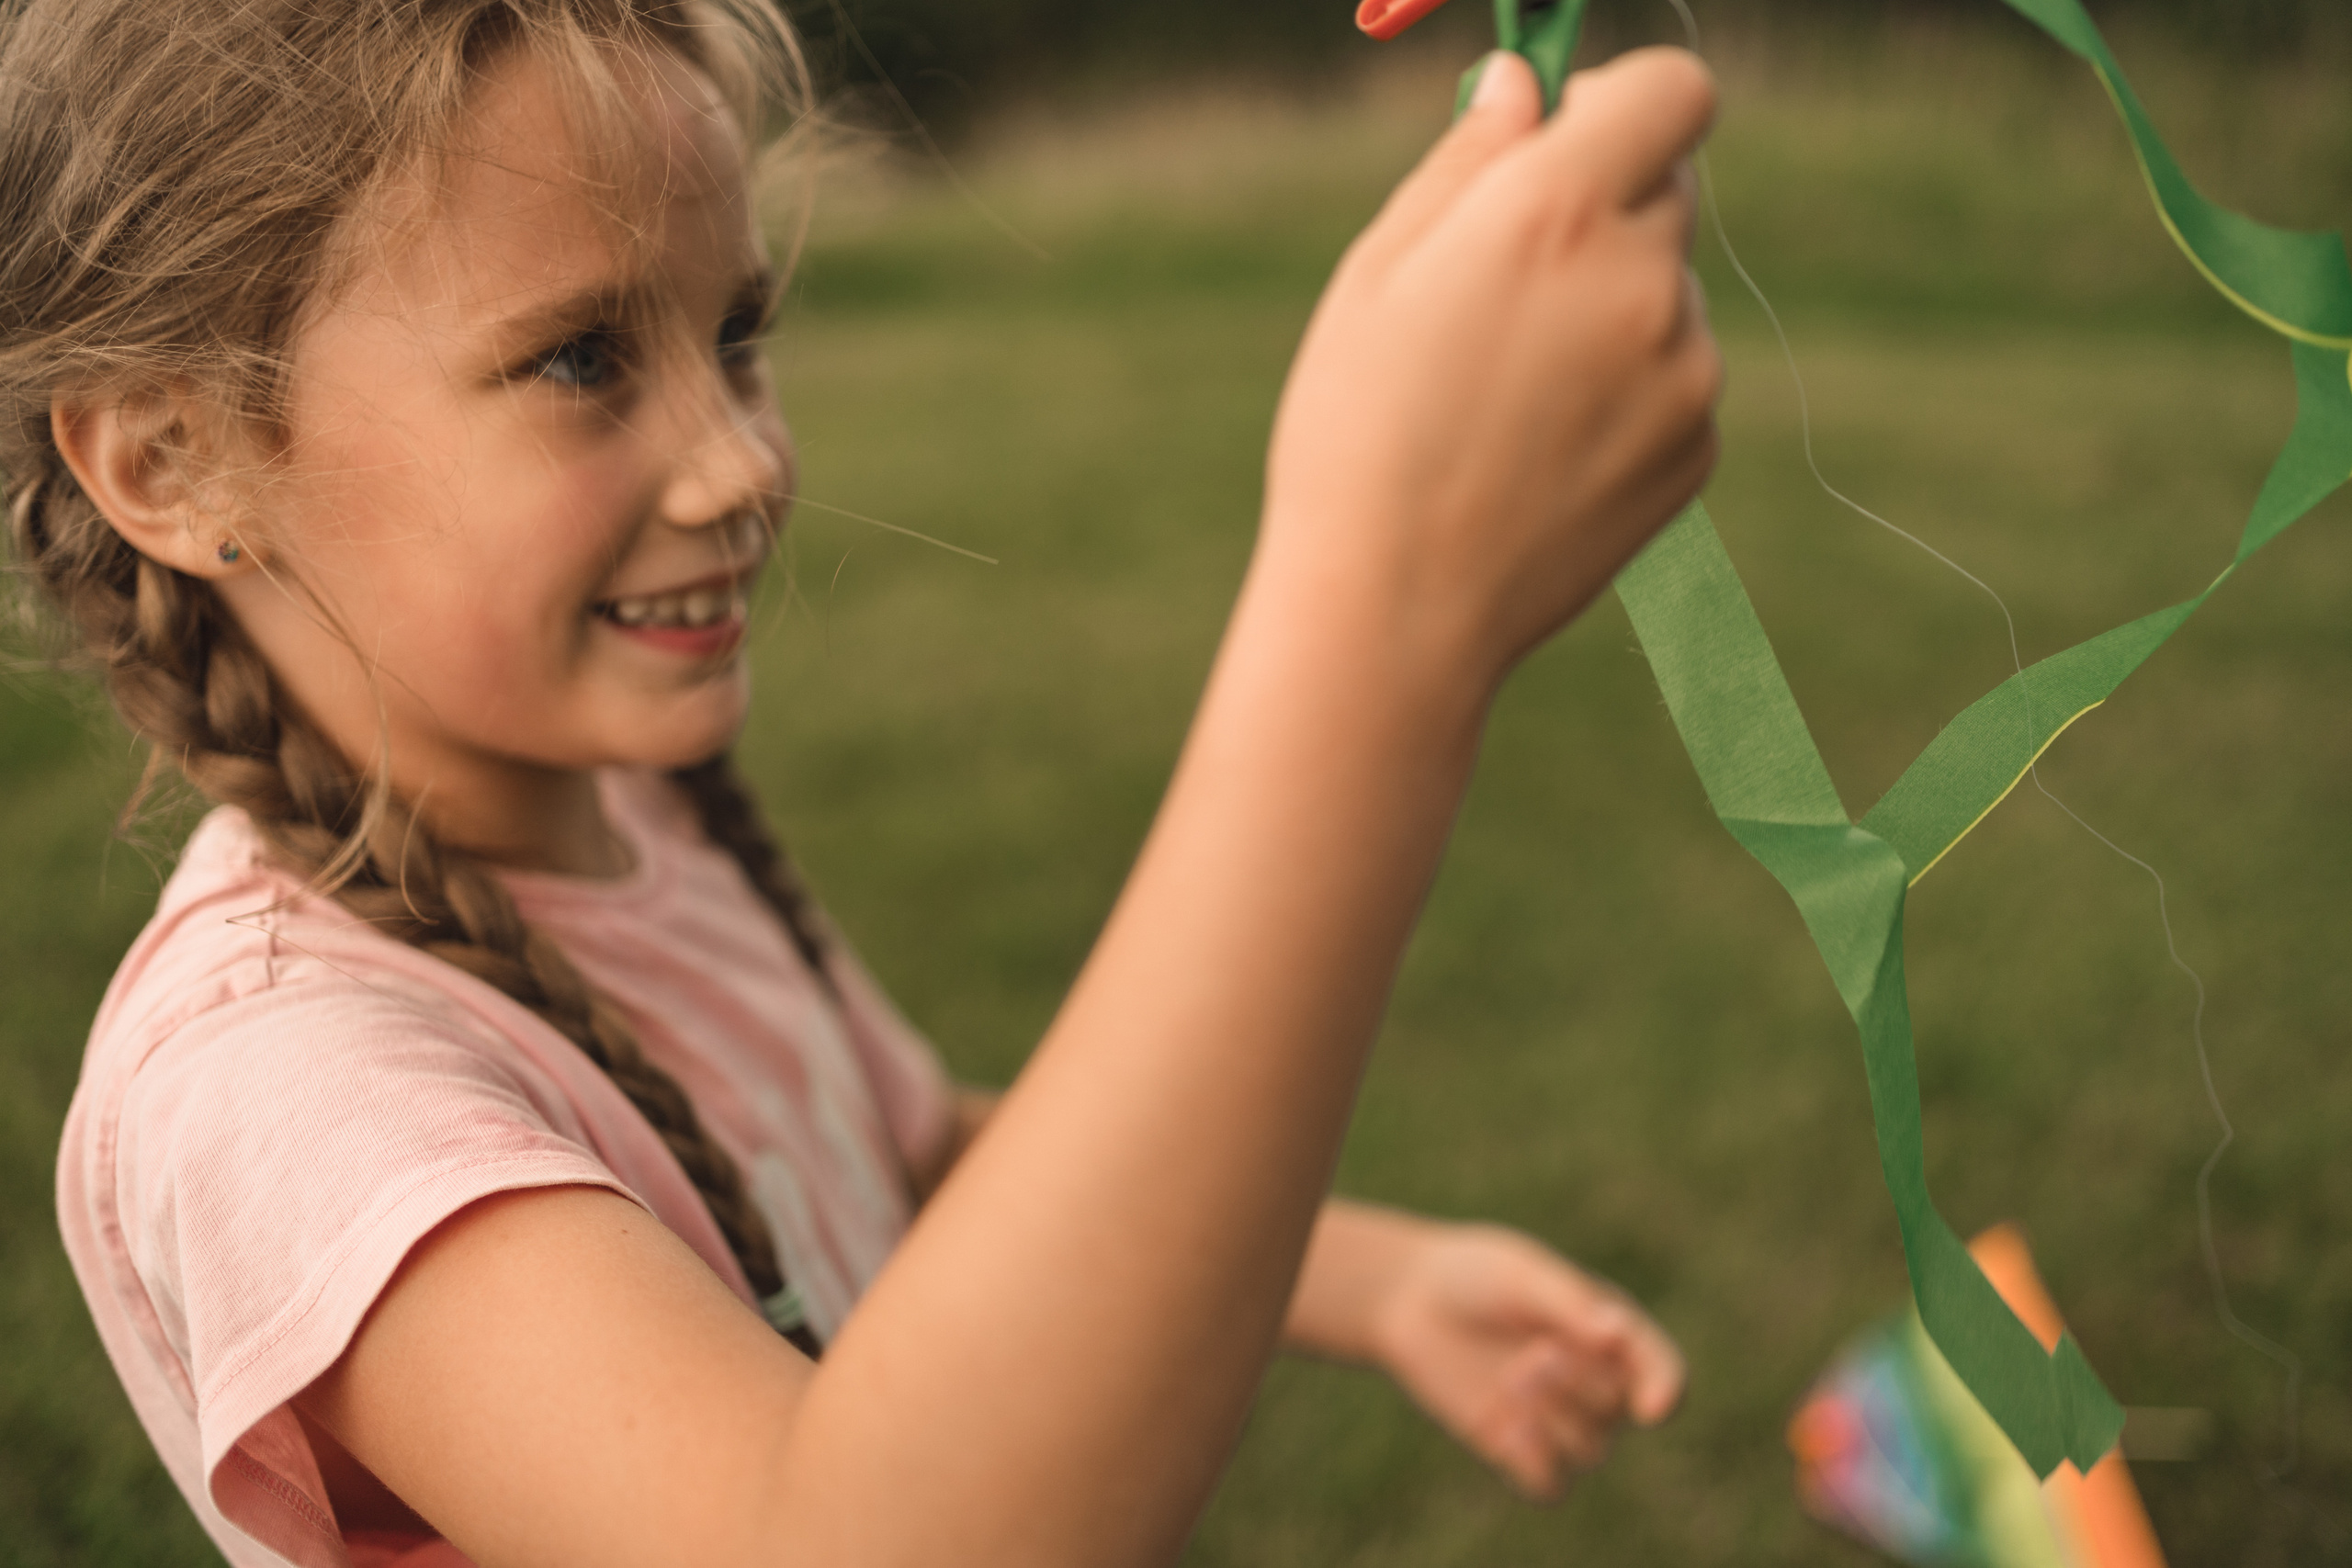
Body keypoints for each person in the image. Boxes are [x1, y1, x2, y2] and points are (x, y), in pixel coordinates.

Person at [10, 1, 1723, 1562]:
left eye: (736, 329)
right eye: (584, 357)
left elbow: (898, 1151)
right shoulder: (276, 1093)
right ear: (175, 459)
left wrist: (1377, 1278)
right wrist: (1386, 616)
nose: (744, 459)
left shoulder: (638, 816)